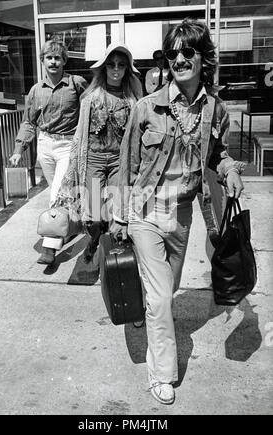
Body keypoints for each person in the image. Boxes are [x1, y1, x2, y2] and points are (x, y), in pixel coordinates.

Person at [110, 18, 245, 405]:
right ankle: (162, 373)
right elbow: (126, 164)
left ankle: (147, 307)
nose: (180, 58)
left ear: (204, 58)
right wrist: (119, 215)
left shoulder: (216, 110)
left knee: (166, 291)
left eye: (188, 51)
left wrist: (230, 170)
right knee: (162, 299)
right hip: (145, 212)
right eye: (173, 53)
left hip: (182, 215)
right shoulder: (145, 108)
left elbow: (218, 155)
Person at [55, 42, 143, 266]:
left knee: (120, 213)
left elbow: (138, 138)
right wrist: (72, 169)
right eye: (111, 64)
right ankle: (94, 240)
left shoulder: (133, 101)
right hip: (93, 159)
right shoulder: (90, 98)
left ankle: (117, 260)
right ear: (104, 68)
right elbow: (79, 137)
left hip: (119, 162)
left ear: (126, 69)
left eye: (121, 65)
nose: (116, 69)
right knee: (93, 216)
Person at [9, 39, 88, 265]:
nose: (53, 61)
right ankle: (69, 226)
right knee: (61, 196)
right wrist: (18, 149)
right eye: (49, 57)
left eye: (57, 57)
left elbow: (89, 109)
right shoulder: (36, 90)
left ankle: (49, 246)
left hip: (67, 146)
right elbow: (28, 122)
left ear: (64, 60)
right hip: (45, 146)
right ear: (42, 60)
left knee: (56, 195)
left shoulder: (76, 83)